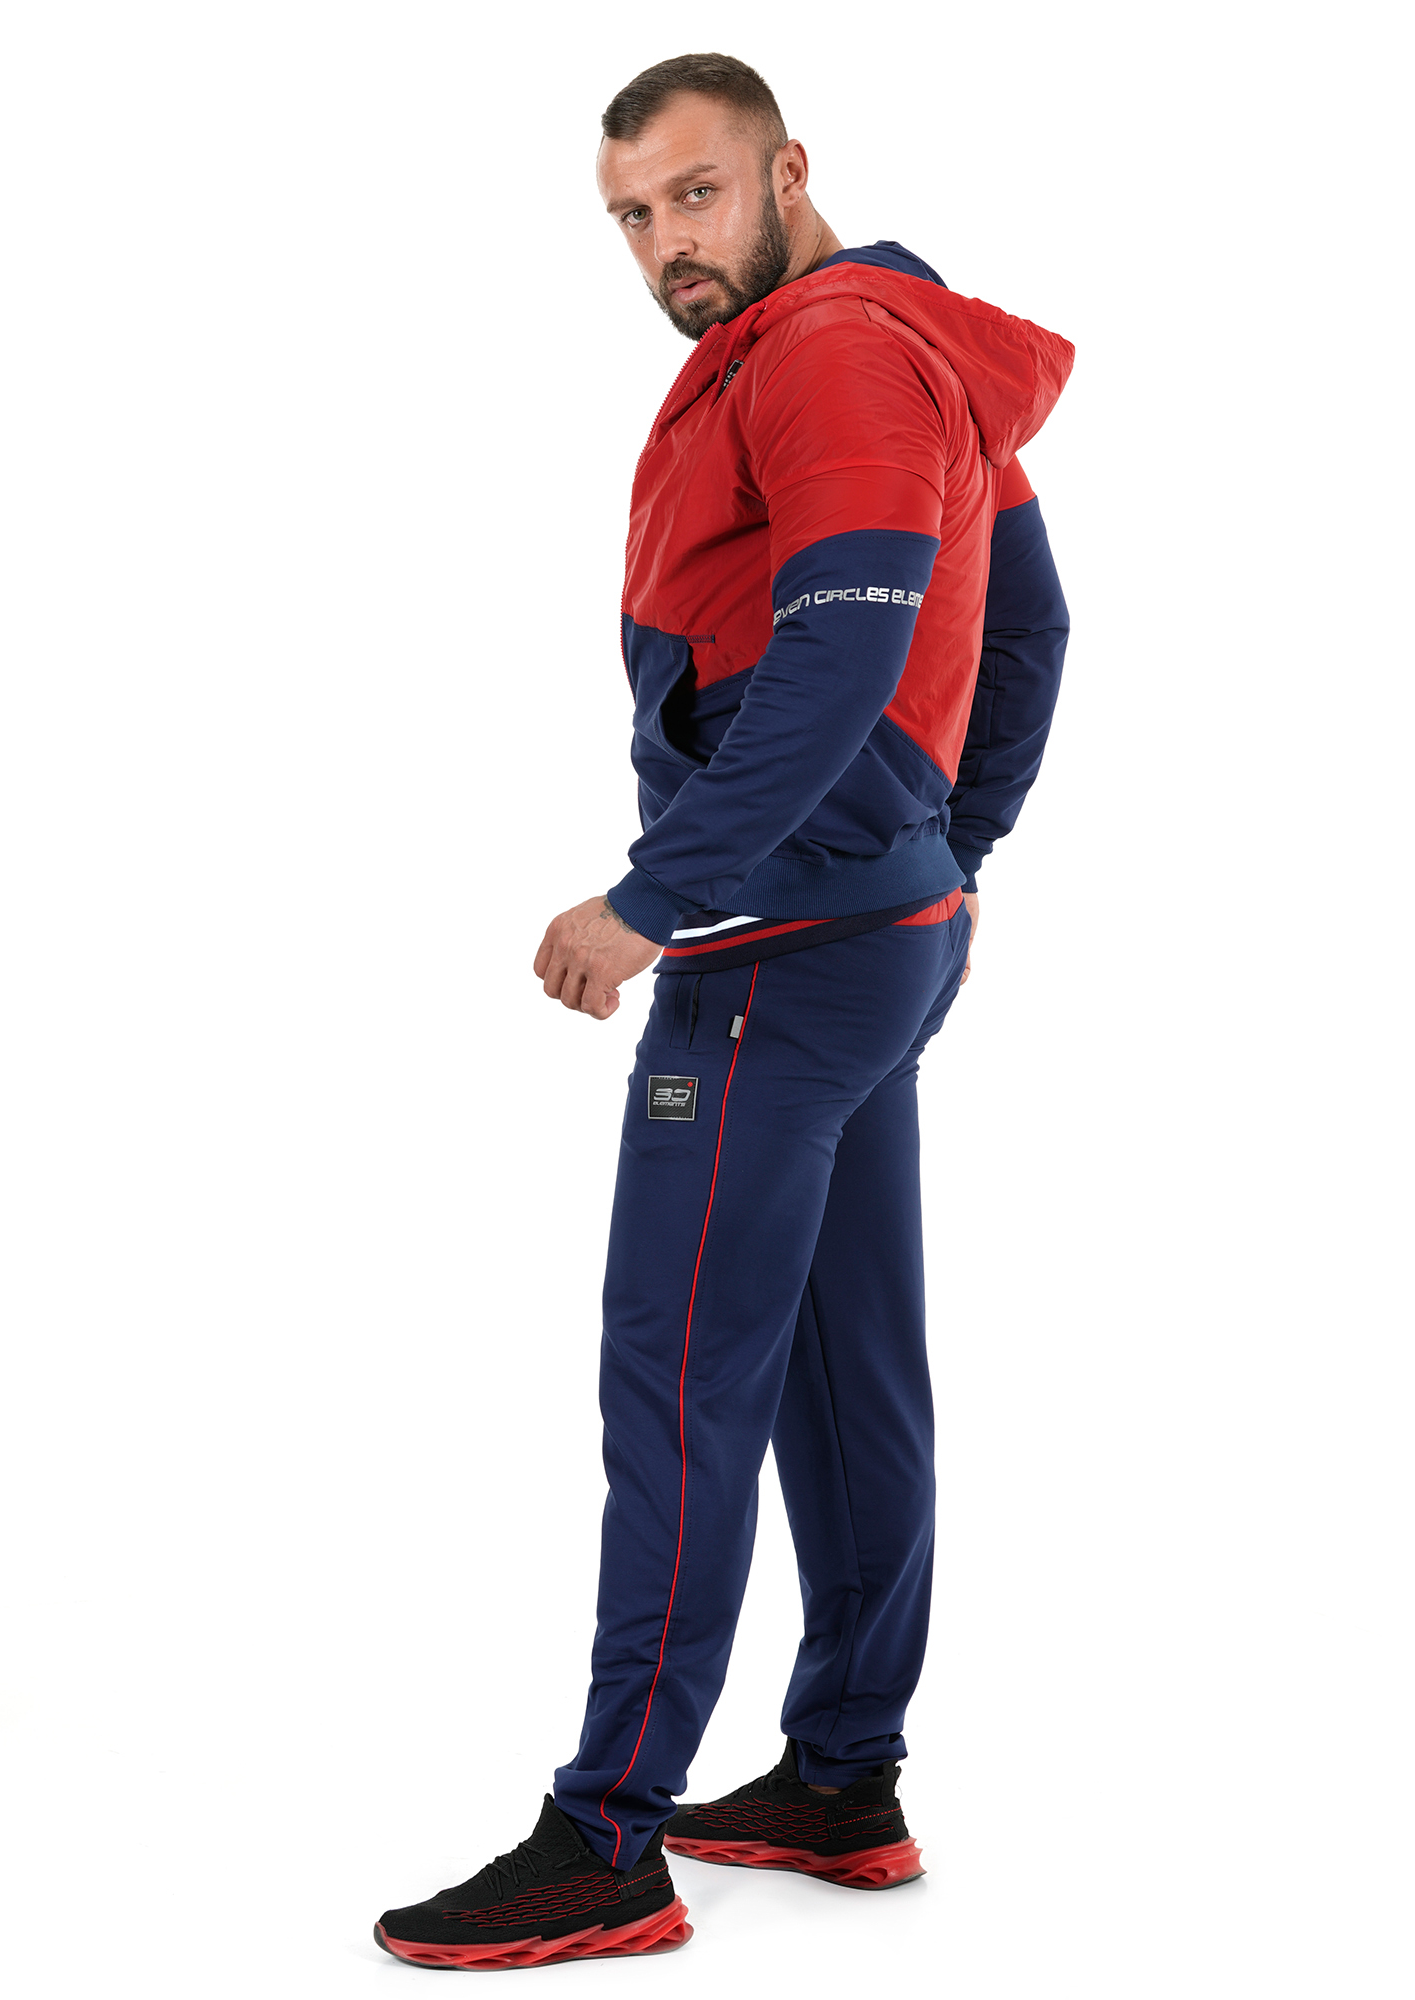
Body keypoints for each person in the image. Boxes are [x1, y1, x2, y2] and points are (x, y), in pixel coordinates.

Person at [374, 53, 1073, 1970]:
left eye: (694, 196)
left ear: (787, 170)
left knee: (679, 1377)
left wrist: (653, 898)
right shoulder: (911, 344)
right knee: (852, 1365)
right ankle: (842, 1777)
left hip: (773, 950)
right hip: (877, 927)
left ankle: (606, 1837)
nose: (665, 245)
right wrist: (950, 855)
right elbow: (1028, 627)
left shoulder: (829, 351)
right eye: (631, 217)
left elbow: (843, 656)